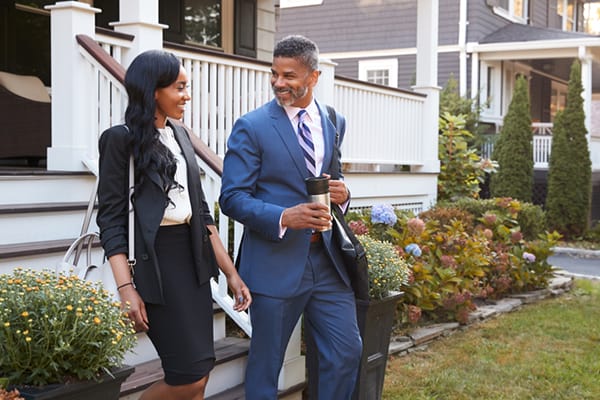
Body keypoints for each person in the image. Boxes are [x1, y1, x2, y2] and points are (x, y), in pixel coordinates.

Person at [96, 49, 252, 400]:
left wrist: (230, 273)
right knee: (187, 376)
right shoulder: (120, 140)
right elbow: (111, 219)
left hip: (193, 259)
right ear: (154, 90)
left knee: (201, 371)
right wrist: (126, 288)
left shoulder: (180, 135)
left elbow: (201, 211)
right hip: (158, 263)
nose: (187, 95)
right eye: (179, 87)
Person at [219, 35, 362, 399]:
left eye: (289, 76)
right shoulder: (251, 126)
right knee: (267, 365)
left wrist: (343, 194)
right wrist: (285, 216)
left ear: (313, 78)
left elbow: (333, 175)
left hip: (327, 261)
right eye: (274, 74)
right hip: (274, 263)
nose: (279, 83)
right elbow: (232, 198)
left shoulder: (333, 120)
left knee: (347, 351)